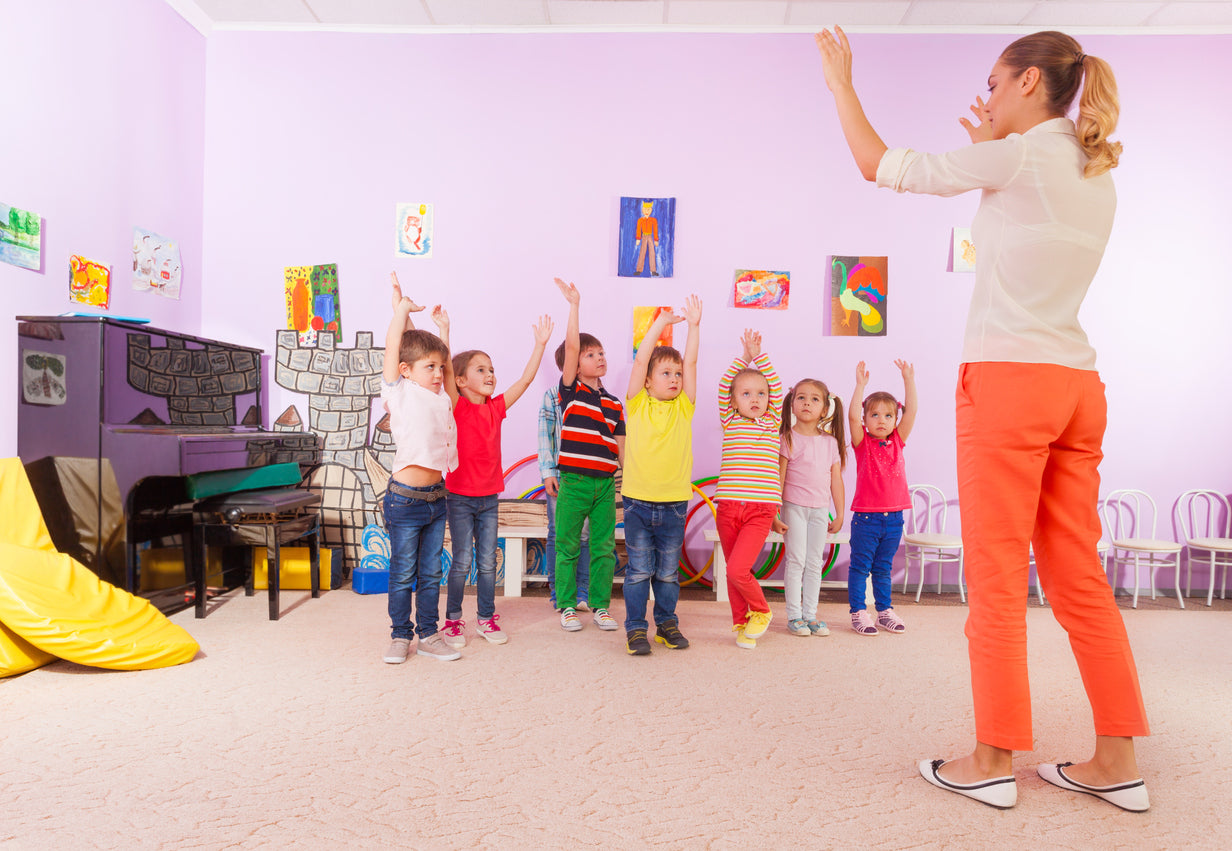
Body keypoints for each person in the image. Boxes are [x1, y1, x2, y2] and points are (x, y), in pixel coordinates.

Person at [817, 28, 1149, 811]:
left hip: (1008, 384)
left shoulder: (1020, 154)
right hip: (1077, 386)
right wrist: (994, 145)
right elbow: (1020, 217)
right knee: (1078, 577)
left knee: (995, 574)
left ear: (1030, 81)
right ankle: (1116, 760)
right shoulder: (1094, 170)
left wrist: (840, 85)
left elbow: (879, 165)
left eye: (995, 83)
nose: (988, 96)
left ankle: (991, 758)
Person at [441, 315, 554, 649]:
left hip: (489, 498)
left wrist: (540, 345)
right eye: (481, 370)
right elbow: (446, 370)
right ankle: (452, 621)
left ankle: (486, 619)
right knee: (462, 562)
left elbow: (525, 379)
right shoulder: (457, 405)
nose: (490, 375)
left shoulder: (496, 408)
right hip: (459, 497)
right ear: (460, 381)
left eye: (491, 369)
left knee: (488, 561)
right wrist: (445, 332)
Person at [379, 272, 461, 664]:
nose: (437, 374)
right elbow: (398, 348)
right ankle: (400, 635)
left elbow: (425, 352)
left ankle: (429, 634)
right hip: (405, 501)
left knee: (430, 575)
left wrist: (443, 331)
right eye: (429, 368)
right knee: (402, 574)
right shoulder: (400, 392)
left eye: (440, 368)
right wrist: (400, 312)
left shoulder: (441, 395)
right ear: (406, 371)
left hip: (436, 499)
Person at [621, 297, 703, 655]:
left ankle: (666, 624)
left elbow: (693, 361)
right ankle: (636, 628)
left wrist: (694, 326)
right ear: (649, 381)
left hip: (673, 504)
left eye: (677, 374)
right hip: (638, 502)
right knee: (639, 571)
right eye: (665, 373)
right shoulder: (636, 403)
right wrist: (661, 323)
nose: (674, 379)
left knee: (668, 573)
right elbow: (641, 358)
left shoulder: (684, 407)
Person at [552, 277, 625, 632]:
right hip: (574, 482)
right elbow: (570, 347)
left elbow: (621, 446)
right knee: (566, 545)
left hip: (605, 485)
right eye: (590, 354)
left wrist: (631, 481)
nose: (600, 358)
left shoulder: (614, 403)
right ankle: (566, 604)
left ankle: (600, 605)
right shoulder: (570, 391)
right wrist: (574, 305)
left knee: (603, 548)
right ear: (575, 365)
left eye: (601, 353)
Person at [716, 329, 783, 649]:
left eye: (760, 393)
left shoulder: (772, 422)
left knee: (739, 568)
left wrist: (758, 355)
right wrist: (743, 358)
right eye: (746, 394)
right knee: (731, 570)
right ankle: (742, 621)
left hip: (760, 509)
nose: (755, 399)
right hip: (728, 506)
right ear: (733, 400)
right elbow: (722, 385)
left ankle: (761, 610)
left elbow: (778, 387)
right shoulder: (729, 420)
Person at [846, 360, 916, 636]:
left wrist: (908, 380)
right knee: (861, 567)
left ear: (895, 420)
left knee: (883, 568)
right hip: (866, 518)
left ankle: (884, 610)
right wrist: (860, 386)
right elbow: (852, 417)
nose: (881, 421)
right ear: (865, 420)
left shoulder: (898, 441)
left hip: (895, 518)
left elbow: (912, 412)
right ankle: (858, 612)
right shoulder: (862, 443)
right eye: (874, 415)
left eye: (888, 416)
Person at [778, 378, 847, 637]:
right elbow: (779, 478)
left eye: (815, 399)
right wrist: (775, 511)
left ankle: (811, 615)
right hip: (793, 507)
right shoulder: (787, 437)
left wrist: (840, 513)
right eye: (801, 397)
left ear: (825, 407)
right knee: (796, 561)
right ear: (792, 404)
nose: (807, 402)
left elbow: (836, 479)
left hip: (820, 509)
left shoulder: (829, 443)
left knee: (814, 562)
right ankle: (794, 616)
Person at [538, 358, 591, 612]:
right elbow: (545, 433)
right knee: (559, 533)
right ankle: (559, 591)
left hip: (590, 478)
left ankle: (581, 590)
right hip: (561, 477)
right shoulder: (552, 396)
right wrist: (548, 471)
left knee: (585, 535)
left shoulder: (600, 396)